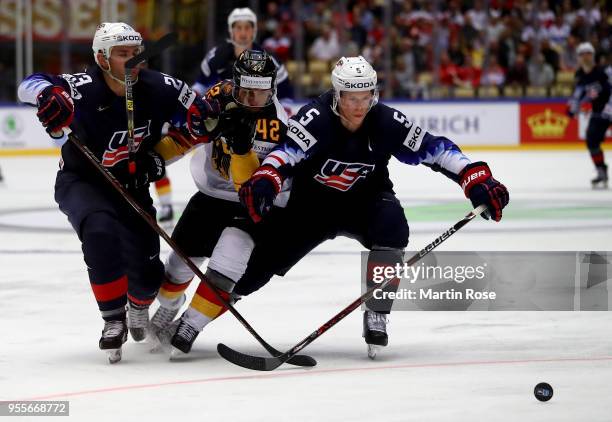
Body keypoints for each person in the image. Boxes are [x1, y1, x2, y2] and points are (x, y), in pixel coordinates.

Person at [237, 56, 509, 358]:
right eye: (352, 98)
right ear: (338, 95)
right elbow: (287, 152)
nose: (359, 106)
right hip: (311, 206)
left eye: (366, 98)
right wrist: (267, 176)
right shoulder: (315, 117)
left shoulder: (386, 121)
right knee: (260, 264)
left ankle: (377, 311)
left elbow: (435, 149)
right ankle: (211, 308)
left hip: (365, 201)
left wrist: (473, 176)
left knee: (392, 225)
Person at [17, 22, 219, 363]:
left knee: (146, 278)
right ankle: (113, 318)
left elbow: (202, 121)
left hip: (133, 187)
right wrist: (44, 94)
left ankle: (138, 304)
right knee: (99, 230)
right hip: (83, 182)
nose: (133, 59)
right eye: (122, 53)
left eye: (136, 52)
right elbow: (28, 85)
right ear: (101, 58)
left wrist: (163, 154)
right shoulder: (82, 88)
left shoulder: (161, 87)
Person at [148, 49, 290, 355]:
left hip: (253, 203)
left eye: (261, 92)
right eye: (245, 91)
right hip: (211, 195)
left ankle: (191, 324)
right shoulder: (218, 97)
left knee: (230, 257)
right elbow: (186, 136)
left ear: (273, 89)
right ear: (234, 83)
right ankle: (170, 303)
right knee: (177, 268)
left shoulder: (279, 123)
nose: (252, 99)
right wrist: (155, 159)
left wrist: (240, 147)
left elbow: (249, 186)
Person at [192, 7, 294, 106]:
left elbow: (286, 96)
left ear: (254, 30)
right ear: (231, 30)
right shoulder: (215, 56)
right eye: (238, 28)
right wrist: (194, 101)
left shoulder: (269, 59)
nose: (243, 33)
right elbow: (200, 85)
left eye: (247, 27)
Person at [567, 42, 611, 189]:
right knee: (592, 139)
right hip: (599, 112)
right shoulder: (580, 75)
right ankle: (601, 170)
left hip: (609, 107)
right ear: (578, 57)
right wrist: (573, 108)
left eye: (588, 53)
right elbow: (578, 94)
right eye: (582, 54)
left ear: (593, 55)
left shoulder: (604, 71)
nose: (585, 56)